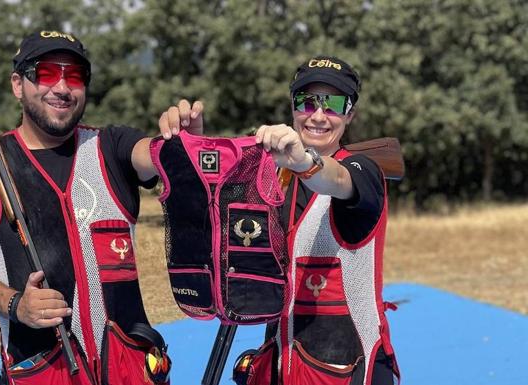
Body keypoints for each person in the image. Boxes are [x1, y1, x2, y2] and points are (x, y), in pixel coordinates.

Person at [0, 30, 201, 385]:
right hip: (40, 370)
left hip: (129, 369)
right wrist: (16, 305)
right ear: (18, 84)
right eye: (46, 73)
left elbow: (155, 153)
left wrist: (183, 141)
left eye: (74, 76)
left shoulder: (111, 146)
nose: (62, 87)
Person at [160, 56, 400, 385]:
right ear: (293, 106)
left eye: (332, 104)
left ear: (350, 114)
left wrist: (306, 162)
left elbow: (338, 180)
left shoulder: (364, 170)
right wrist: (192, 149)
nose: (318, 115)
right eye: (307, 101)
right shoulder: (268, 174)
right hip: (281, 363)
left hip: (351, 372)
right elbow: (213, 227)